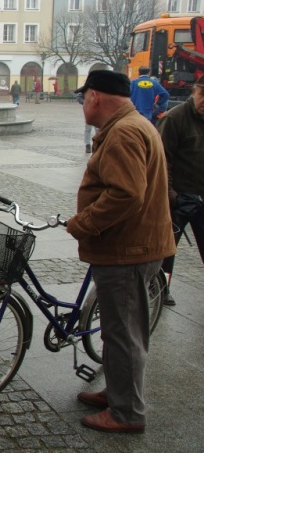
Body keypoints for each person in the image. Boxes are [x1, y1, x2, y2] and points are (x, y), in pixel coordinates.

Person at [65, 69, 176, 434]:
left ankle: (126, 413)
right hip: (133, 244)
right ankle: (117, 393)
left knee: (124, 334)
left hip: (129, 249)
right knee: (117, 330)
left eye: (85, 97)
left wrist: (83, 223)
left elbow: (126, 194)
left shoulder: (125, 132)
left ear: (95, 96)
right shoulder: (132, 124)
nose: (83, 104)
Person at [157, 76, 204, 306]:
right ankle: (161, 289)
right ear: (194, 92)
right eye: (203, 94)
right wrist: (170, 195)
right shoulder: (175, 118)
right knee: (167, 250)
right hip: (180, 197)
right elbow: (161, 160)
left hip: (204, 195)